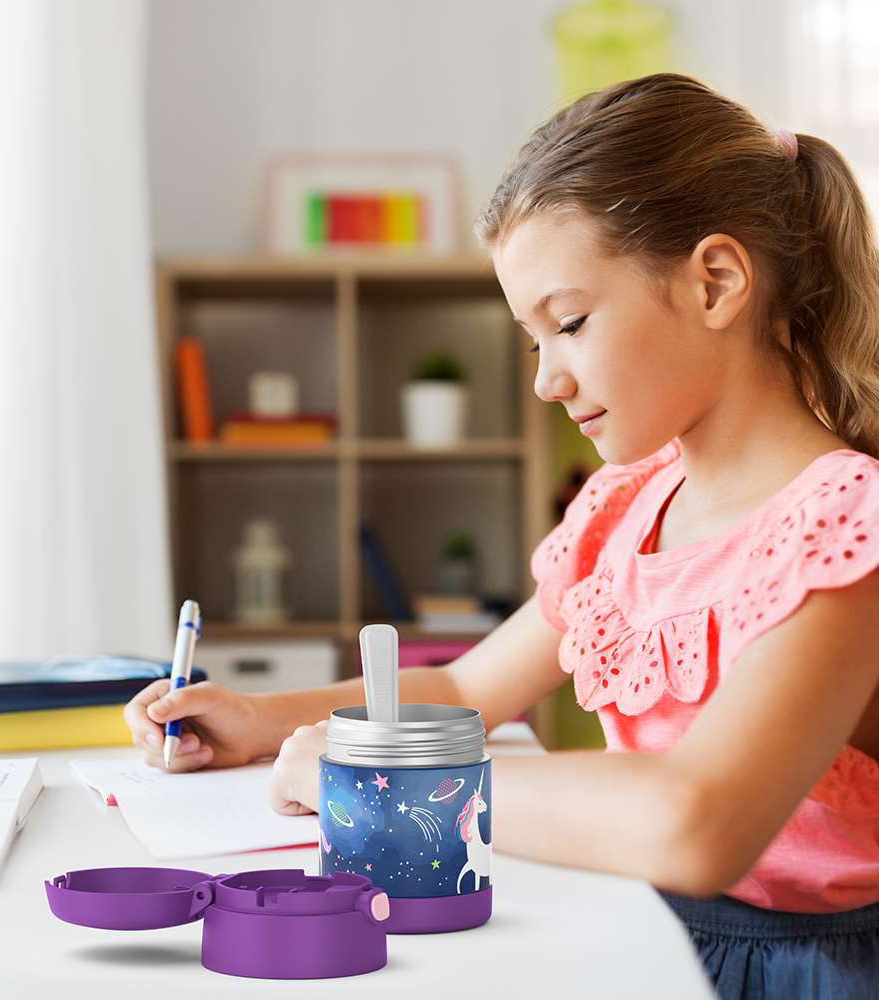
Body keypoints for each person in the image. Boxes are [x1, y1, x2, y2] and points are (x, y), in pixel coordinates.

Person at [125, 74, 879, 999]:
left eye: (570, 324)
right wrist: (260, 720)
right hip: (642, 930)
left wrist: (376, 778)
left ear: (715, 282)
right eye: (533, 342)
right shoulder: (624, 513)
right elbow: (460, 687)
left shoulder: (843, 528)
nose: (546, 381)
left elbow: (698, 821)